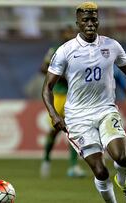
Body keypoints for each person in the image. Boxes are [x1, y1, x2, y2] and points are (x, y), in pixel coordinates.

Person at [41, 2, 126, 203]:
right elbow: (47, 88)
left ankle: (123, 180)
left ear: (99, 21)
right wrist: (53, 114)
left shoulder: (111, 46)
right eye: (85, 20)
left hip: (105, 111)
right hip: (78, 118)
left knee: (121, 158)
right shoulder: (64, 51)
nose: (90, 23)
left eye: (93, 19)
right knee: (100, 170)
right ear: (77, 22)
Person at [40, 25, 86, 178]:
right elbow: (42, 68)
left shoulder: (80, 50)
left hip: (74, 96)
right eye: (68, 32)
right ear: (63, 34)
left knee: (73, 131)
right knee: (54, 131)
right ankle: (46, 159)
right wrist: (58, 74)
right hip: (59, 95)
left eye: (73, 32)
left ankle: (73, 167)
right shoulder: (55, 50)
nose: (71, 34)